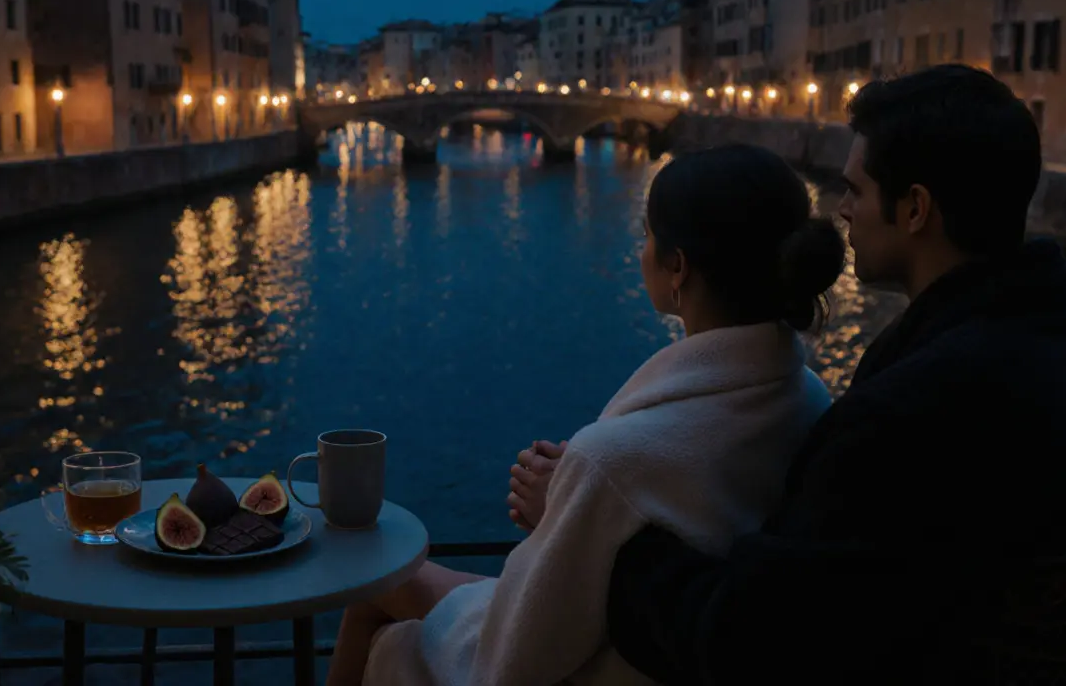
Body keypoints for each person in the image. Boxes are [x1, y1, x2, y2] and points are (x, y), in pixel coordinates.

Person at [599, 64, 1066, 683]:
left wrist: (611, 541)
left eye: (856, 191)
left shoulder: (916, 410)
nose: (841, 212)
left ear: (914, 208)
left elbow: (745, 640)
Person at [324, 144, 848, 686]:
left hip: (609, 663)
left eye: (647, 237)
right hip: (689, 653)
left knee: (375, 596)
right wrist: (578, 497)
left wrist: (575, 499)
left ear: (678, 267)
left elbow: (508, 666)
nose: (640, 250)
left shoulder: (611, 460)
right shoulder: (809, 397)